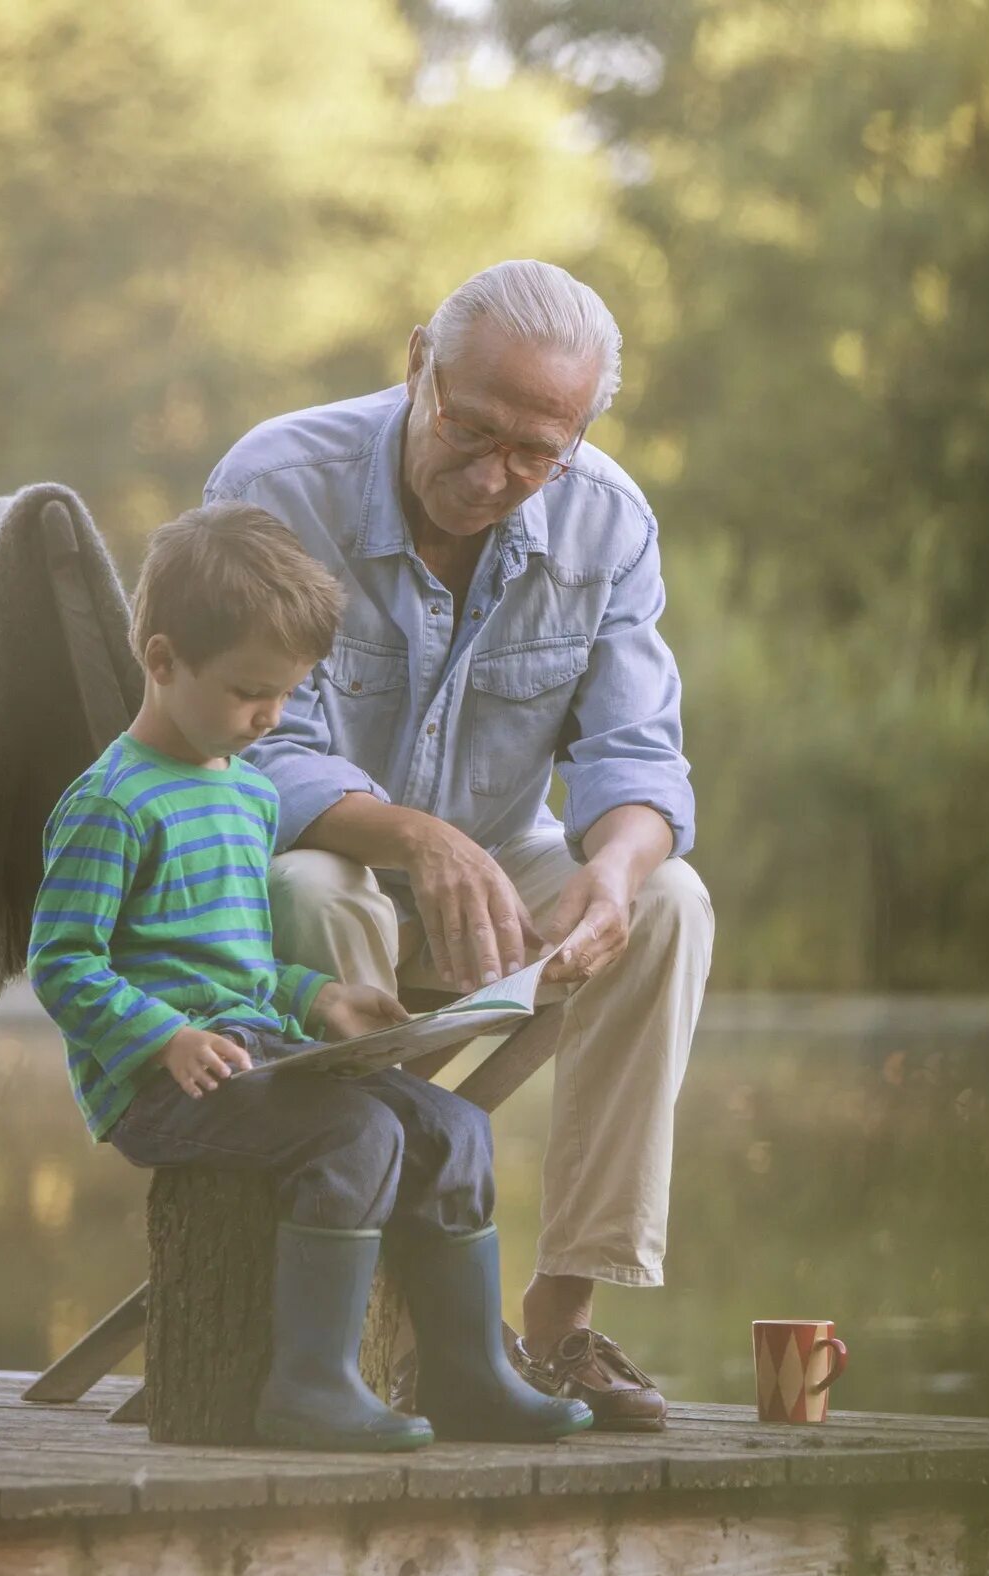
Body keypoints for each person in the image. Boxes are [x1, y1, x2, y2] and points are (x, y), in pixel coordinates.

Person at [207, 260, 713, 1429]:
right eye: (471, 430)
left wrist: (615, 871)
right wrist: (416, 838)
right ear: (417, 362)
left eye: (536, 452)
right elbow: (254, 757)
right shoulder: (279, 482)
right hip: (314, 870)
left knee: (672, 901)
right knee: (316, 887)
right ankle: (392, 1311)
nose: (494, 477)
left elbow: (639, 760)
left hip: (495, 874)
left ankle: (561, 1321)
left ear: (579, 435)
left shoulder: (611, 521)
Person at [27, 501, 592, 1451]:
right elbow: (63, 963)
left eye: (287, 695)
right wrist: (164, 1036)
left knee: (453, 1125)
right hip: (157, 1083)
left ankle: (467, 1377)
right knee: (355, 1133)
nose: (271, 718)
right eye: (251, 692)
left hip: (257, 1052)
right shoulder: (111, 803)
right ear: (161, 661)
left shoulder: (247, 792)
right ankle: (310, 1384)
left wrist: (319, 997)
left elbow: (237, 966)